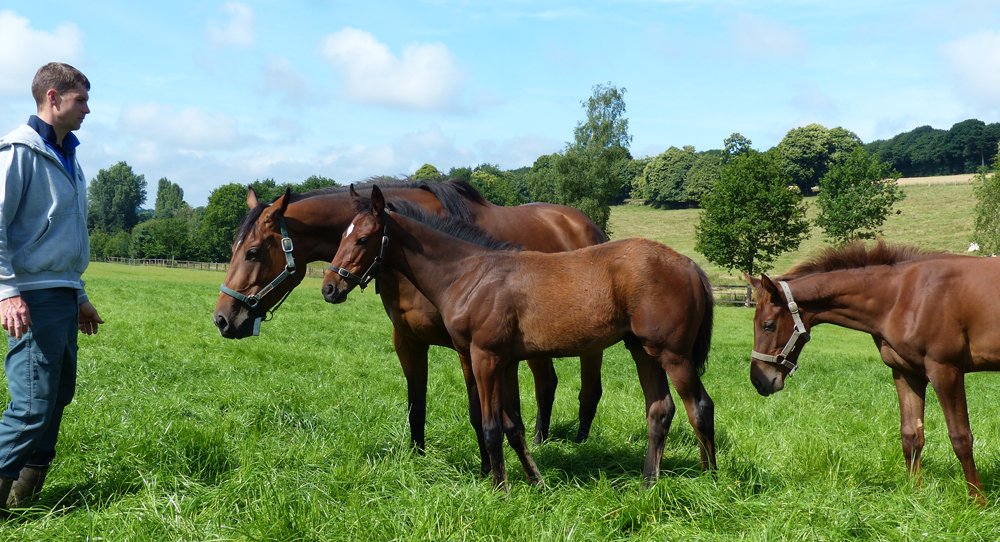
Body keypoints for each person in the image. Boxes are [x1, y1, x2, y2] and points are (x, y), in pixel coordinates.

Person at [0, 62, 104, 515]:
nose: (87, 109)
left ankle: (23, 500)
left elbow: (64, 239)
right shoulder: (18, 152)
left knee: (57, 396)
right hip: (31, 295)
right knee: (30, 406)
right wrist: (7, 291)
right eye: (81, 99)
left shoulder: (69, 157)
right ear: (53, 97)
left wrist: (78, 296)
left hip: (61, 292)